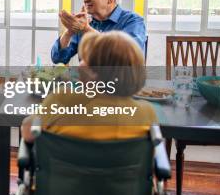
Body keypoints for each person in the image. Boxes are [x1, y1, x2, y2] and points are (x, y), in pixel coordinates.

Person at [22, 31, 157, 142]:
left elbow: (28, 133)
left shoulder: (61, 99)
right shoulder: (147, 113)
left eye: (86, 59)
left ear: (94, 72)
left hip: (65, 174)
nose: (80, 64)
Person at [51, 0, 147, 64]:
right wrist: (69, 32)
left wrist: (86, 29)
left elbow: (127, 57)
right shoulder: (84, 23)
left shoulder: (133, 21)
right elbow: (58, 58)